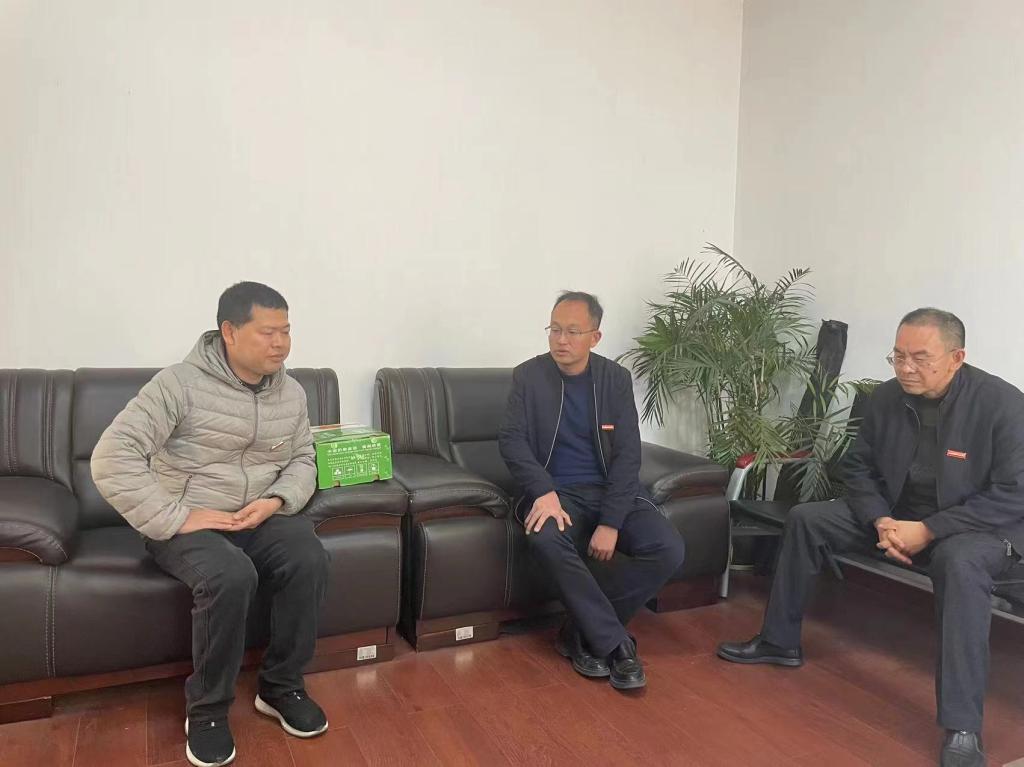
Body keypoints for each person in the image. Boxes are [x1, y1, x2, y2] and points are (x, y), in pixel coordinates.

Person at [717, 308, 1024, 767]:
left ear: (957, 357)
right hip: (899, 518)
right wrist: (881, 520)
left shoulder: (1003, 404)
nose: (906, 368)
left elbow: (1014, 494)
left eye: (920, 358)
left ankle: (962, 726)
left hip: (977, 530)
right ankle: (779, 642)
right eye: (897, 356)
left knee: (959, 562)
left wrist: (930, 530)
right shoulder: (886, 397)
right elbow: (857, 468)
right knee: (808, 518)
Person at [92, 281, 329, 767]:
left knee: (308, 555)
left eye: (286, 331)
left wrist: (275, 500)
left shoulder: (292, 392)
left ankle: (281, 687)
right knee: (230, 575)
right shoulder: (177, 385)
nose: (281, 344)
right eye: (267, 332)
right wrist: (176, 516)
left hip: (254, 515)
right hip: (186, 523)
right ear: (229, 332)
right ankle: (207, 711)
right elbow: (112, 457)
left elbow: (304, 458)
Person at [498, 290, 685, 690]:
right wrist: (543, 490)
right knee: (545, 537)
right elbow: (511, 441)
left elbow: (628, 455)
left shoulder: (614, 380)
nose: (560, 340)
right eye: (554, 330)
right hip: (557, 494)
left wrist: (611, 522)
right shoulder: (528, 376)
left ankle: (579, 632)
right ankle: (617, 646)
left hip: (611, 491)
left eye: (572, 332)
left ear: (595, 337)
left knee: (668, 548)